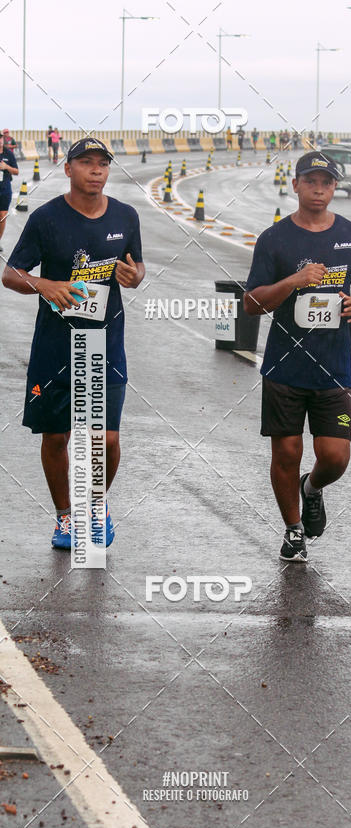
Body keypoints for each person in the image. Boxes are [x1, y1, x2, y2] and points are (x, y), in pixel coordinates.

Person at [1, 138, 145, 549]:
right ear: (68, 169)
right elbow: (11, 274)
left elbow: (137, 265)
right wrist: (47, 286)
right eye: (86, 162)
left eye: (102, 164)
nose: (96, 170)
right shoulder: (47, 218)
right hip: (55, 346)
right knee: (56, 437)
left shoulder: (126, 215)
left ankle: (95, 507)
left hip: (106, 342)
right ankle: (66, 516)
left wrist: (136, 277)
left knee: (107, 439)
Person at [243, 151, 351, 562]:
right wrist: (295, 280)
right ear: (296, 184)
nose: (319, 189)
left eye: (327, 182)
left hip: (334, 367)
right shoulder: (275, 239)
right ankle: (293, 529)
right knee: (286, 453)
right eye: (311, 181)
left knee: (335, 456)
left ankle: (312, 489)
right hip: (285, 366)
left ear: (335, 187)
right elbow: (251, 303)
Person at [0, 132, 19, 252]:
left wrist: (6, 167)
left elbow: (16, 171)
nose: (0, 140)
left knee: (2, 216)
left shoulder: (9, 154)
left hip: (4, 189)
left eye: (0, 138)